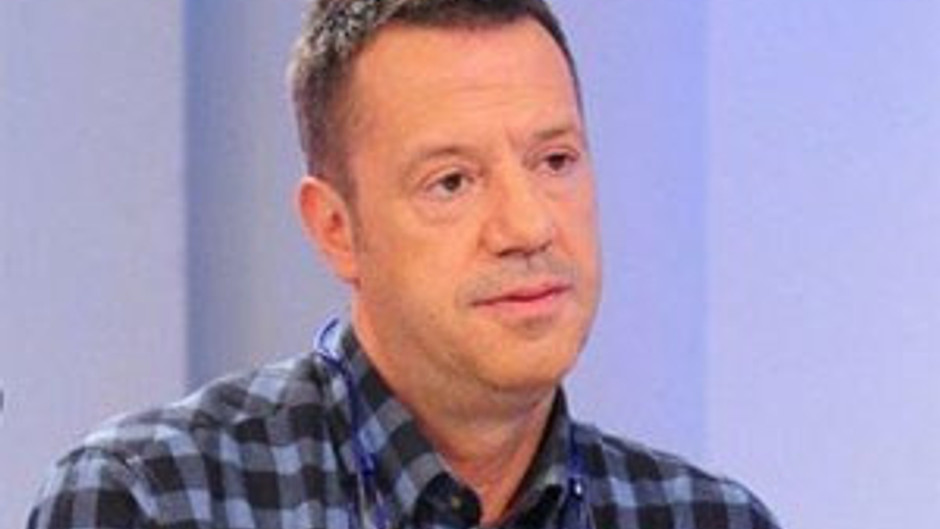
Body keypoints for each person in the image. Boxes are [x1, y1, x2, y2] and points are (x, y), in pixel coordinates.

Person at [29, 1, 780, 528]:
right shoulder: (153, 501)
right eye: (452, 181)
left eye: (555, 161)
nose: (528, 226)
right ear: (335, 229)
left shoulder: (708, 518)